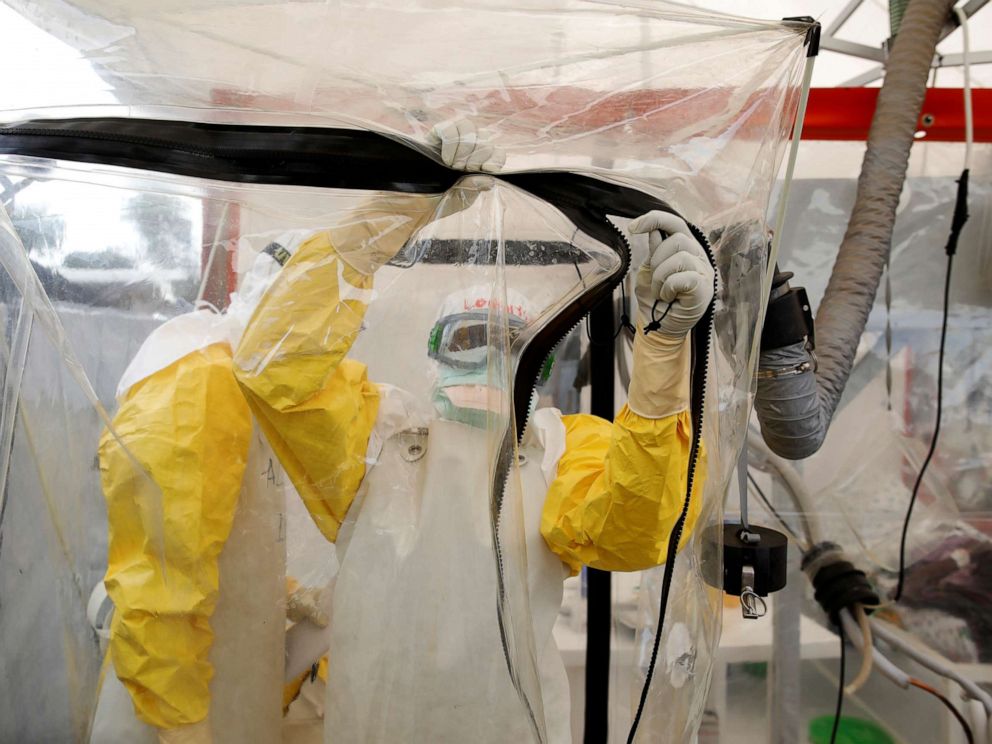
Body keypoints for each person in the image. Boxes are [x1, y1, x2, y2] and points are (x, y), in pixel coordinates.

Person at [95, 121, 715, 744]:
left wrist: (663, 355)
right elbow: (274, 368)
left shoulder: (560, 452)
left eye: (514, 345)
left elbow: (638, 527)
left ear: (541, 363)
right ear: (436, 352)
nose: (491, 357)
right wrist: (393, 211)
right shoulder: (379, 436)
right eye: (470, 335)